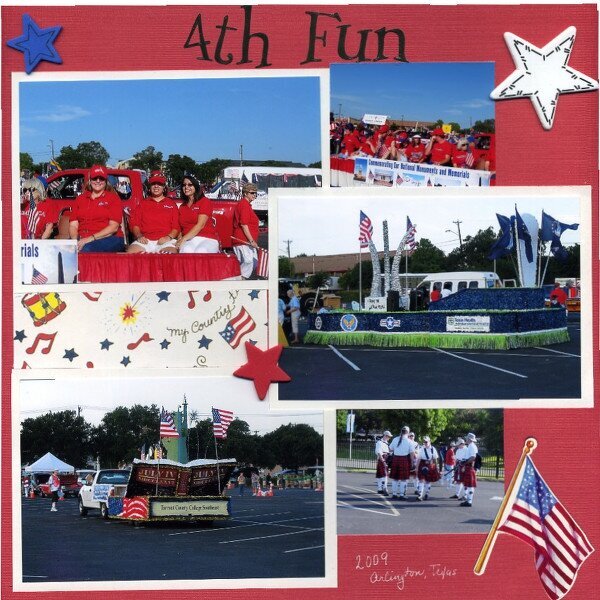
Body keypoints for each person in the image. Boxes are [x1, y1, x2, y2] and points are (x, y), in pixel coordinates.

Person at [69, 164, 125, 252]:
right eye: (95, 178)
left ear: (106, 181)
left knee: (86, 249)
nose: (98, 181)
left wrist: (90, 238)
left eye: (101, 178)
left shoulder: (113, 198)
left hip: (110, 238)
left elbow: (113, 227)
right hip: (83, 239)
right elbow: (73, 225)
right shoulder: (80, 199)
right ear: (90, 180)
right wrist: (74, 241)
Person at [128, 171, 179, 254]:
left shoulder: (171, 204)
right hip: (145, 241)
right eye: (153, 184)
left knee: (170, 256)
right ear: (149, 186)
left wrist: (168, 237)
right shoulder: (142, 204)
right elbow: (135, 224)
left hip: (165, 241)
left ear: (164, 187)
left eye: (159, 184)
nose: (156, 186)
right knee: (131, 253)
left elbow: (176, 226)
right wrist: (139, 236)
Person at [176, 174, 220, 253]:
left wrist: (184, 239)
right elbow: (180, 228)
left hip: (207, 238)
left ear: (196, 186)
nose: (186, 187)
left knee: (201, 251)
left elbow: (200, 225)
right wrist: (179, 239)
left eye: (190, 184)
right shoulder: (182, 207)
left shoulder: (204, 201)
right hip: (189, 239)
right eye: (184, 185)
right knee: (186, 250)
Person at [231, 183, 260, 278]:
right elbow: (244, 224)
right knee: (248, 261)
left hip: (248, 241)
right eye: (252, 193)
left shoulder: (247, 205)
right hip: (242, 240)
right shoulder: (244, 205)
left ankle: (238, 278)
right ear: (245, 193)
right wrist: (251, 240)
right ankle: (238, 283)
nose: (254, 195)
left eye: (255, 193)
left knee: (255, 262)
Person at [388, 426, 417, 500]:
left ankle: (394, 494)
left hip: (396, 459)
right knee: (403, 479)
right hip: (404, 460)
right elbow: (412, 453)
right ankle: (401, 495)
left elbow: (390, 449)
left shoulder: (395, 439)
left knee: (395, 478)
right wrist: (413, 463)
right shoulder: (409, 441)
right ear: (407, 432)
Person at [416, 436, 441, 501]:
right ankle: (420, 495)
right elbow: (418, 459)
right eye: (424, 442)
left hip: (430, 465)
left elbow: (435, 458)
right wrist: (416, 467)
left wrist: (437, 467)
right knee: (421, 479)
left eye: (426, 442)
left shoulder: (433, 449)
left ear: (429, 441)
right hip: (422, 464)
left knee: (428, 480)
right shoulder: (421, 449)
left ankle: (426, 494)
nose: (425, 443)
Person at [460, 433, 479, 507]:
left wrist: (465, 462)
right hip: (468, 466)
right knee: (468, 484)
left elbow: (473, 457)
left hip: (470, 466)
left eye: (467, 438)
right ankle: (468, 500)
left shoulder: (472, 446)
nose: (466, 439)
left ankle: (469, 501)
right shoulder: (470, 446)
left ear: (470, 439)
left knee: (470, 484)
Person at [375, 431, 392, 496]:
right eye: (388, 436)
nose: (389, 438)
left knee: (380, 474)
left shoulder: (386, 443)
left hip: (386, 458)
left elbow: (388, 451)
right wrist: (383, 460)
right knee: (384, 474)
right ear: (385, 436)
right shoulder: (379, 442)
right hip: (383, 458)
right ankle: (384, 487)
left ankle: (379, 489)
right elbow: (379, 452)